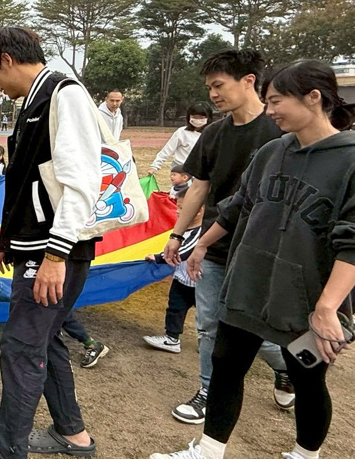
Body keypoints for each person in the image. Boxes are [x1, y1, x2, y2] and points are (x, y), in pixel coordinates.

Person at [151, 61, 355, 459]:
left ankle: (304, 455)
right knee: (226, 364)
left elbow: (352, 243)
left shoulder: (349, 161)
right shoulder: (271, 151)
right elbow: (236, 207)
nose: (270, 109)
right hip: (248, 282)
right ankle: (209, 451)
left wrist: (328, 308)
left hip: (307, 298)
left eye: (277, 101)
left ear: (313, 98)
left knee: (307, 378)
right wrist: (201, 244)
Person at [0, 27, 101, 459]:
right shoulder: (32, 101)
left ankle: (7, 452)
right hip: (34, 247)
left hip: (54, 252)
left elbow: (81, 182)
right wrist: (7, 239)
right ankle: (73, 433)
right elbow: (26, 179)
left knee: (20, 347)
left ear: (7, 60)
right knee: (43, 341)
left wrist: (55, 255)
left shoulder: (64, 94)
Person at [160, 49, 293, 426]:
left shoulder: (281, 131)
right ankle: (209, 390)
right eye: (209, 88)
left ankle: (287, 365)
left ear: (249, 81)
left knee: (253, 326)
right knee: (209, 324)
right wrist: (177, 234)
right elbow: (199, 188)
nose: (213, 94)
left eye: (218, 85)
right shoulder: (214, 134)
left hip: (264, 250)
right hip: (213, 247)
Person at [143, 184, 202, 354]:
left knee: (207, 315)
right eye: (178, 207)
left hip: (201, 283)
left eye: (182, 208)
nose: (177, 211)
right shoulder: (182, 229)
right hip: (181, 279)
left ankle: (209, 342)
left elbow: (185, 251)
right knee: (175, 307)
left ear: (198, 211)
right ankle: (171, 338)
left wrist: (159, 258)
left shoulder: (200, 231)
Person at [148, 103, 213, 175]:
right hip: (181, 169)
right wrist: (155, 166)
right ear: (189, 117)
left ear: (208, 118)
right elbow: (167, 150)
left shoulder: (213, 134)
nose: (198, 120)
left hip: (202, 171)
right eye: (194, 117)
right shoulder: (182, 132)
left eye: (201, 118)